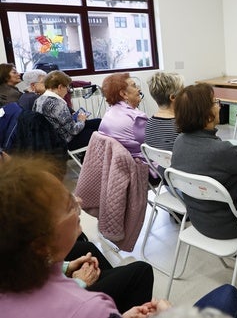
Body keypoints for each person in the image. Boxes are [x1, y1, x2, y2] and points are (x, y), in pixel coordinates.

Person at [0, 155, 170, 318]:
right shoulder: (89, 308)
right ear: (41, 244)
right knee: (140, 271)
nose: (79, 200)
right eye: (69, 206)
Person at [171, 83, 237, 239]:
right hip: (230, 225)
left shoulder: (179, 141)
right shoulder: (222, 151)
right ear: (206, 113)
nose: (220, 106)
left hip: (198, 221)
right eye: (215, 102)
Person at [33, 70, 101, 151]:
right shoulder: (58, 104)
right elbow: (74, 130)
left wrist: (70, 118)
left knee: (97, 122)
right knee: (98, 134)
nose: (67, 90)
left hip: (50, 139)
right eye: (67, 87)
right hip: (65, 141)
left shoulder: (38, 100)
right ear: (60, 87)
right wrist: (81, 121)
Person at [99, 73, 147, 159]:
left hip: (118, 164)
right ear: (124, 94)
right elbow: (154, 145)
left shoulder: (109, 112)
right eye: (134, 86)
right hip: (141, 164)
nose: (138, 89)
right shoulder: (137, 118)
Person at [145, 72, 184, 152]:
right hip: (178, 164)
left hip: (158, 164)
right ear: (173, 97)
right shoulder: (181, 126)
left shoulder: (148, 124)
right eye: (183, 92)